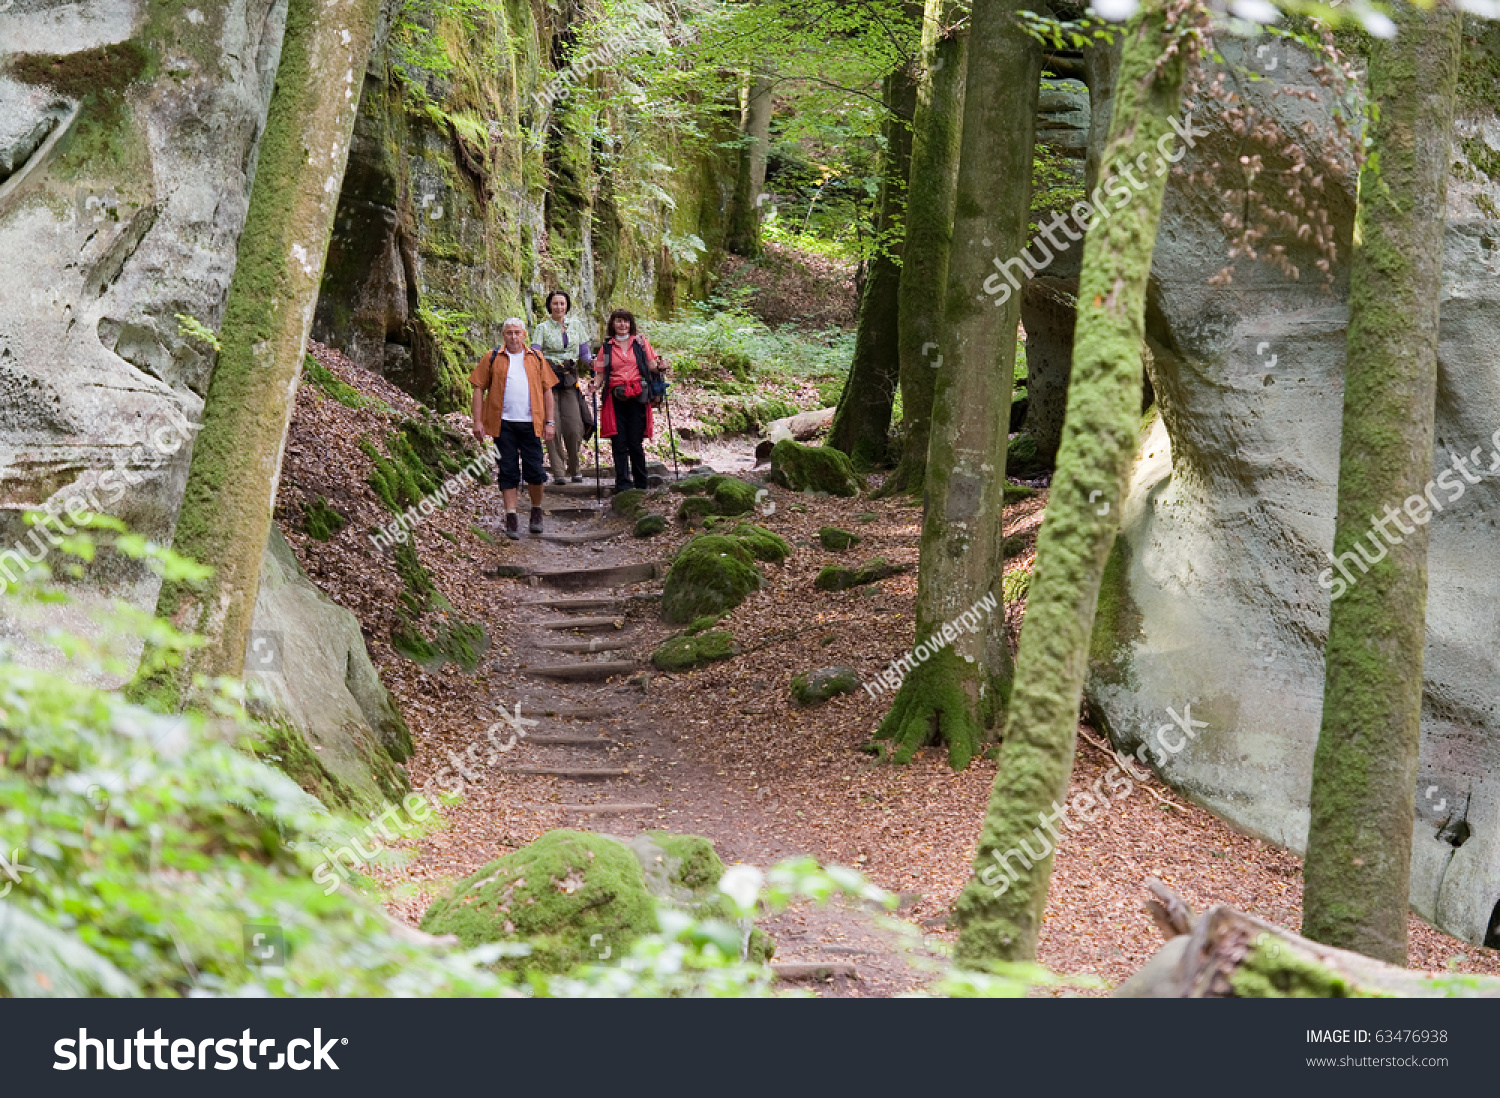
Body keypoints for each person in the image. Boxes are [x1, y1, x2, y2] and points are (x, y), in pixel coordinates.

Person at [470, 318, 558, 540]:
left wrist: (550, 422)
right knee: (508, 471)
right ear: (503, 335)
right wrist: (478, 422)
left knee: (535, 471)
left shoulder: (536, 358)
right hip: (503, 425)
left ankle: (536, 511)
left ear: (524, 335)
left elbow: (548, 391)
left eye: (517, 332)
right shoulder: (492, 358)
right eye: (509, 333)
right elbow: (479, 388)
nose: (513, 337)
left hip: (531, 423)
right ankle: (511, 516)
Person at [588, 308, 665, 493]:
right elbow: (600, 373)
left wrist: (661, 366)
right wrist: (594, 386)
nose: (622, 325)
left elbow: (652, 366)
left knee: (635, 442)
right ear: (612, 324)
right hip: (616, 397)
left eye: (626, 321)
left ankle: (641, 483)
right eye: (618, 321)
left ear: (631, 324)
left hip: (638, 396)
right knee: (619, 441)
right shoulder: (607, 347)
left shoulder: (640, 343)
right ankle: (622, 484)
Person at [532, 290, 593, 485]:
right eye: (555, 303)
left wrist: (596, 363)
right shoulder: (542, 328)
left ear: (567, 306)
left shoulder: (576, 326)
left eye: (562, 303)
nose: (559, 307)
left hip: (569, 380)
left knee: (575, 427)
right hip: (548, 381)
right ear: (549, 306)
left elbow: (584, 354)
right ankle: (558, 471)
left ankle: (575, 468)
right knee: (552, 426)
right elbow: (535, 353)